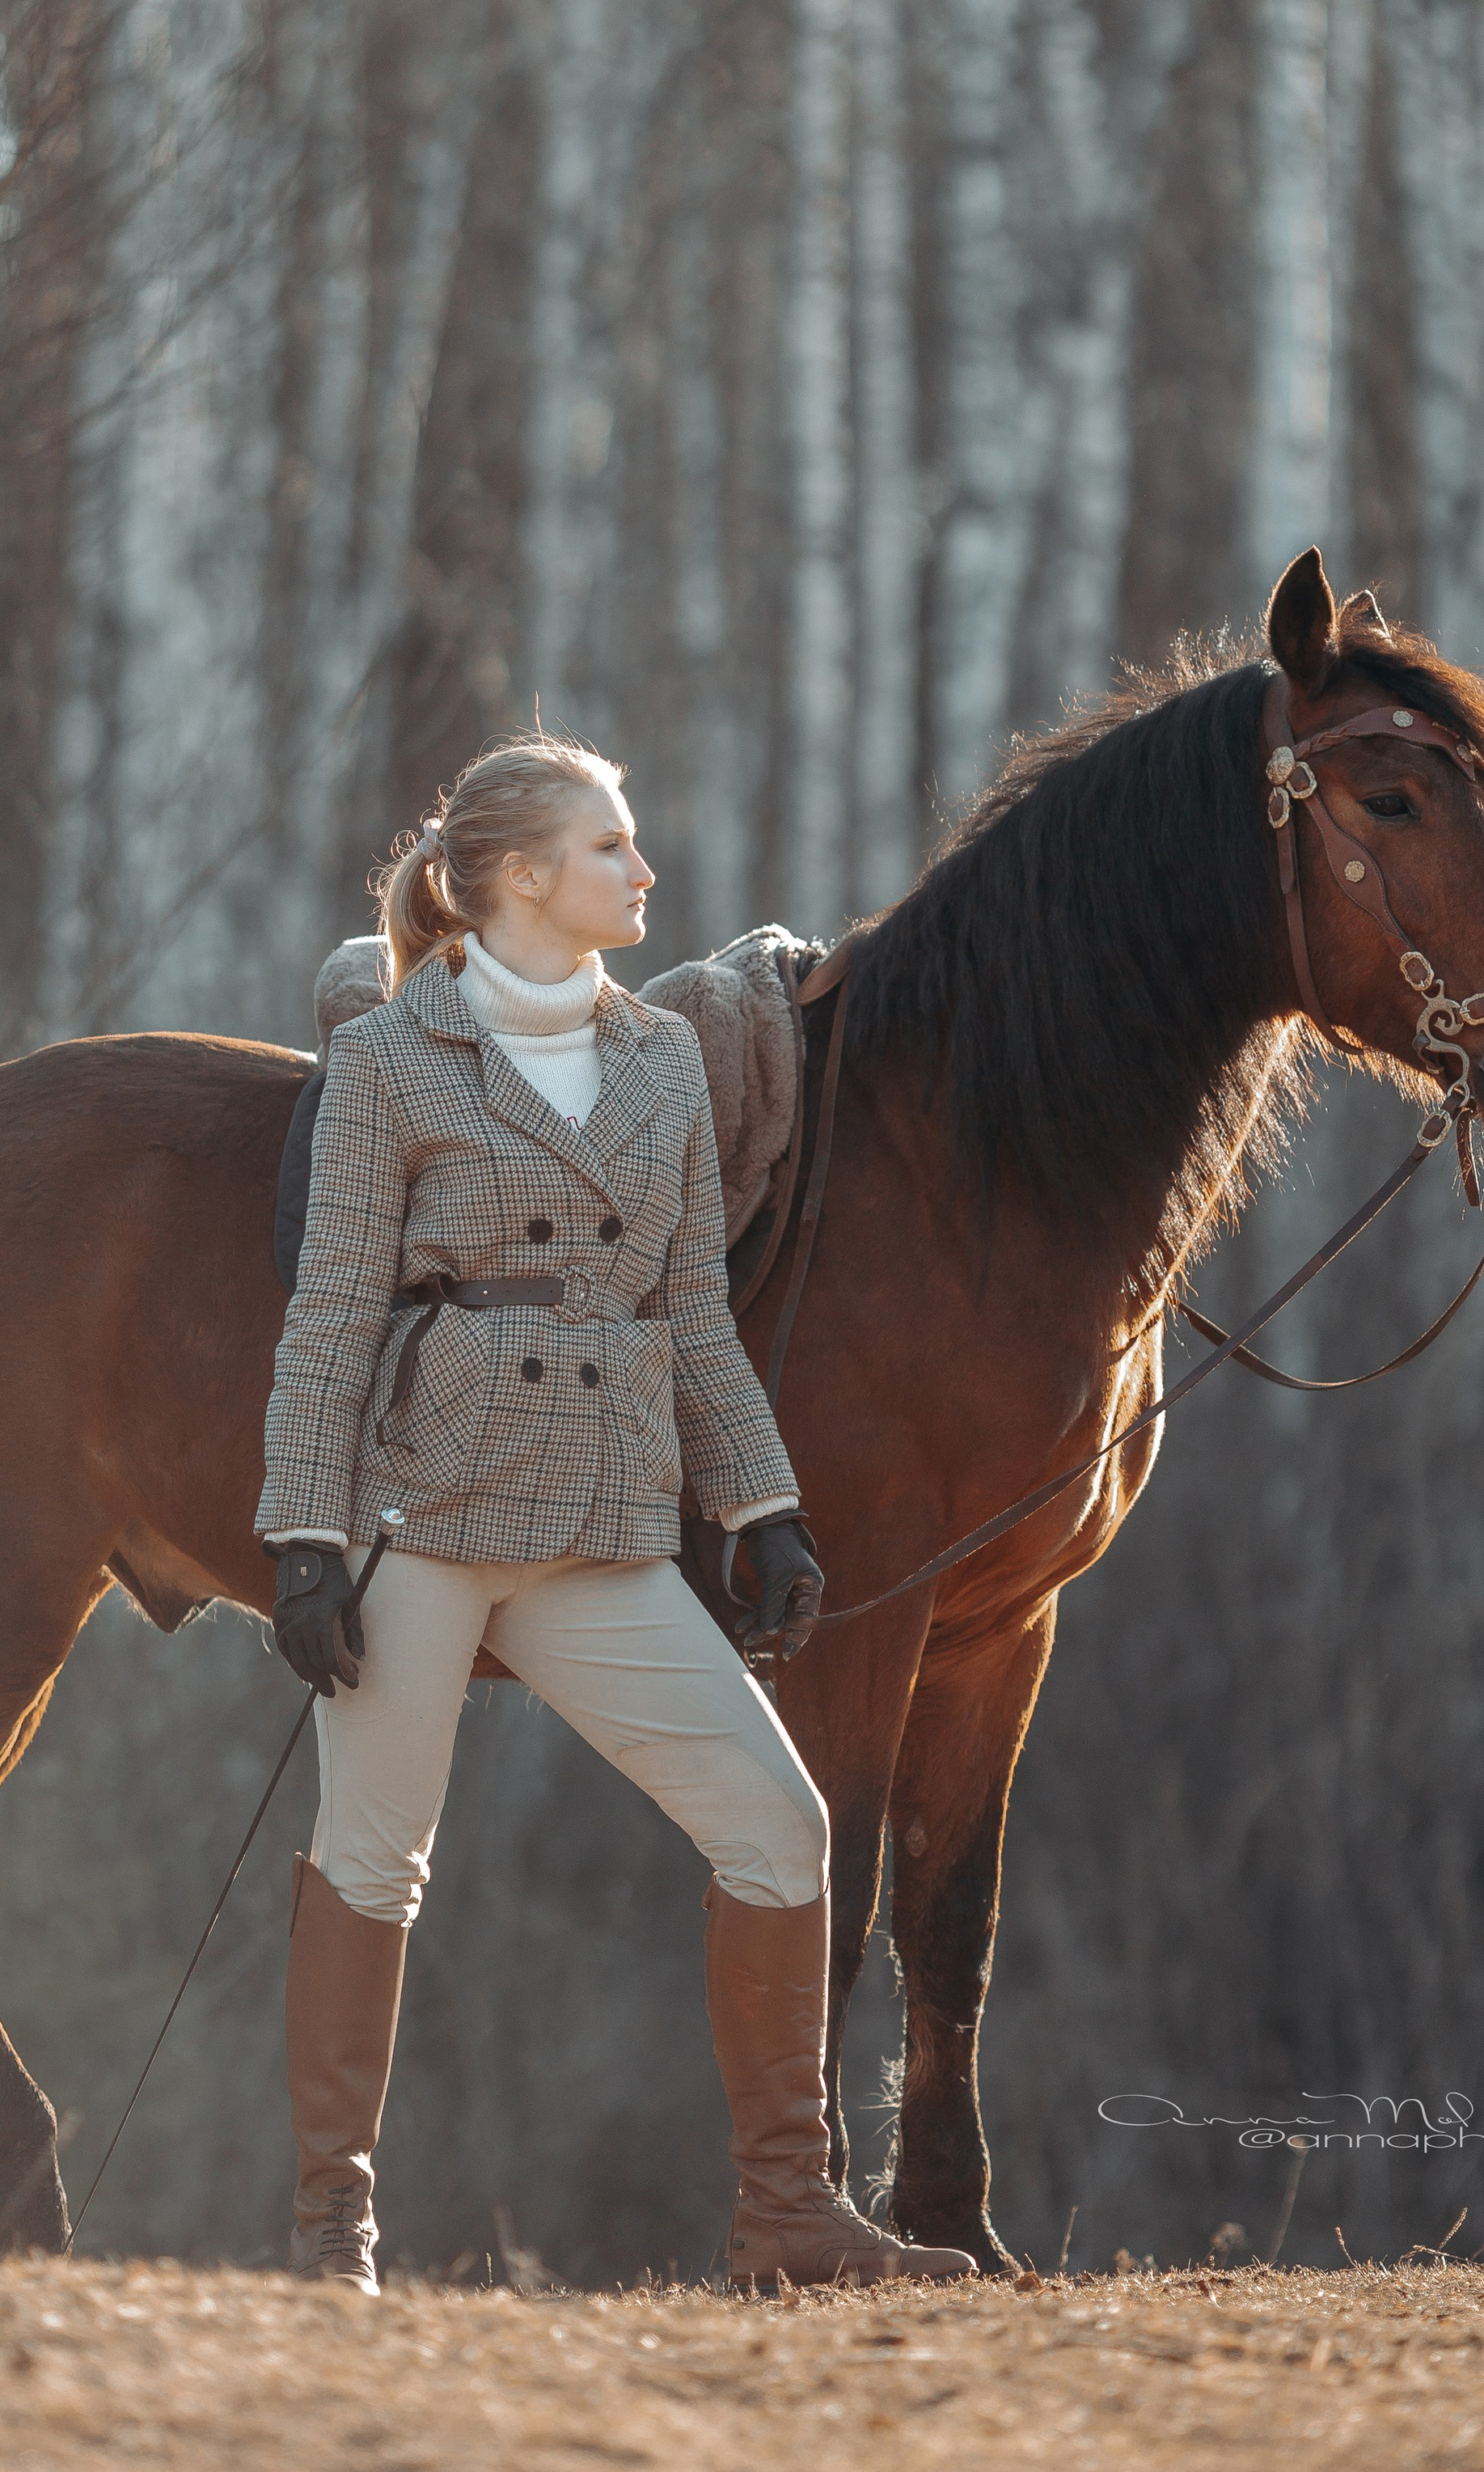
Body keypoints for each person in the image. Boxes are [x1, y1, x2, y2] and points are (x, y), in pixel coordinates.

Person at [257, 732, 975, 2296]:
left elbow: (696, 1324)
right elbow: (329, 1316)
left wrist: (764, 1508)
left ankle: (787, 2213)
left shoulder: (660, 1061)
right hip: (422, 1524)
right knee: (371, 1861)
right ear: (522, 878)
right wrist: (305, 1539)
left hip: (600, 1529)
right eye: (610, 848)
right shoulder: (390, 1060)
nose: (645, 872)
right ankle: (333, 2238)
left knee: (778, 1825)